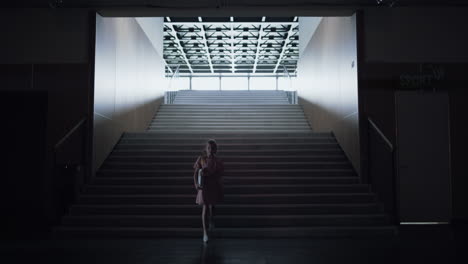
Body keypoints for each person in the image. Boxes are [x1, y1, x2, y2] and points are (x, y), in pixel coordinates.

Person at [193, 139, 224, 243]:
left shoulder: (218, 161)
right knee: (205, 207)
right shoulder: (201, 159)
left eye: (212, 148)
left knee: (212, 206)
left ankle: (211, 219)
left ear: (215, 149)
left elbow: (220, 174)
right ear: (206, 149)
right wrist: (196, 184)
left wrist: (212, 174)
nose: (210, 150)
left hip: (213, 185)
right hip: (204, 186)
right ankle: (205, 233)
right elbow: (196, 173)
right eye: (209, 148)